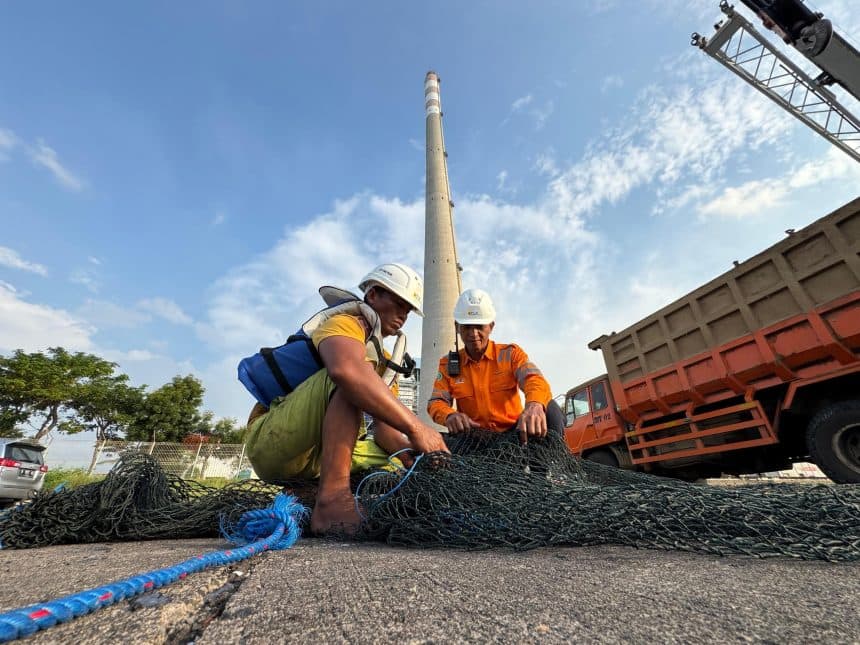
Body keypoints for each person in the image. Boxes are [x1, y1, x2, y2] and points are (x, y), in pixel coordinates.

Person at [243, 263, 449, 535]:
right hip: (272, 444)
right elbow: (344, 371)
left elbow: (384, 432)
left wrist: (413, 452)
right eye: (398, 303)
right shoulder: (346, 322)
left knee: (397, 461)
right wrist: (417, 427)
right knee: (352, 379)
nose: (402, 315)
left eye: (408, 309)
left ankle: (308, 492)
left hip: (314, 457)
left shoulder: (387, 364)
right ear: (373, 295)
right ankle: (331, 501)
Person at [427, 288, 564, 443]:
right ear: (457, 327)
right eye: (466, 326)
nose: (473, 333)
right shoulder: (447, 365)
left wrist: (535, 404)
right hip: (474, 439)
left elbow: (534, 379)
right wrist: (449, 415)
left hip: (514, 434)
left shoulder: (511, 354)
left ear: (491, 326)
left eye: (479, 326)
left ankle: (544, 467)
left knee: (550, 409)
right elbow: (436, 402)